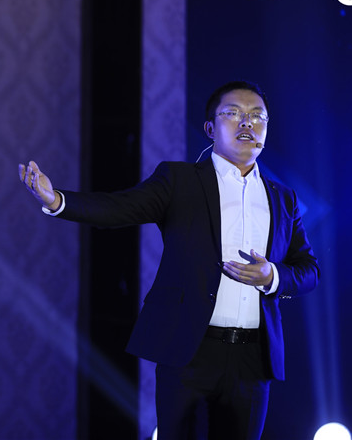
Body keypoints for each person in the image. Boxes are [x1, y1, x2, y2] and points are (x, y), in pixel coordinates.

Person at [18, 81, 319, 440]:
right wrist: (57, 200)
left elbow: (309, 270)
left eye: (257, 116)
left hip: (253, 358)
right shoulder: (180, 180)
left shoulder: (283, 198)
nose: (246, 123)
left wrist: (272, 276)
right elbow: (119, 208)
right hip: (189, 349)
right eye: (233, 113)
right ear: (210, 128)